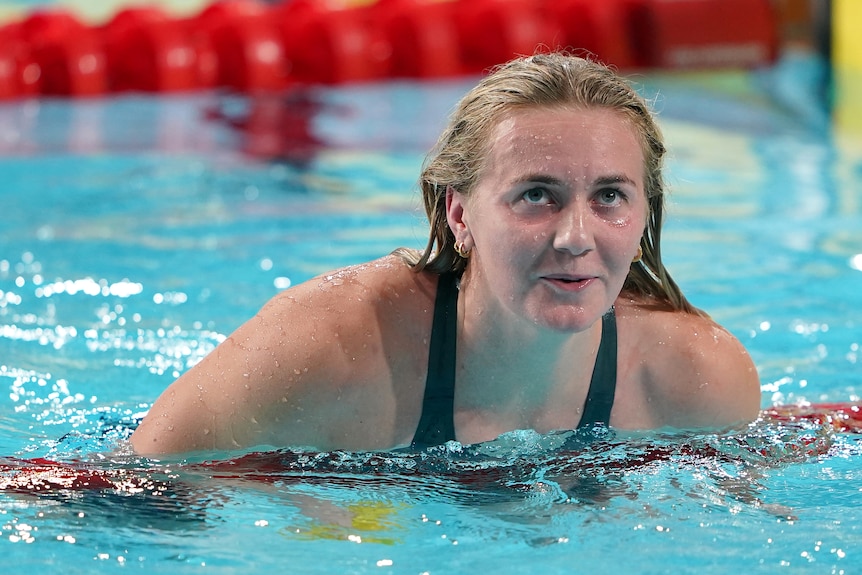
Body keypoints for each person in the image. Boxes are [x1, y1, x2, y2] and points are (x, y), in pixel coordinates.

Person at [130, 52, 761, 456]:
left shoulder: (698, 382)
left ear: (644, 212)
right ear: (459, 213)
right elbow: (126, 489)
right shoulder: (325, 351)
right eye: (536, 195)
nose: (575, 237)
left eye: (610, 196)